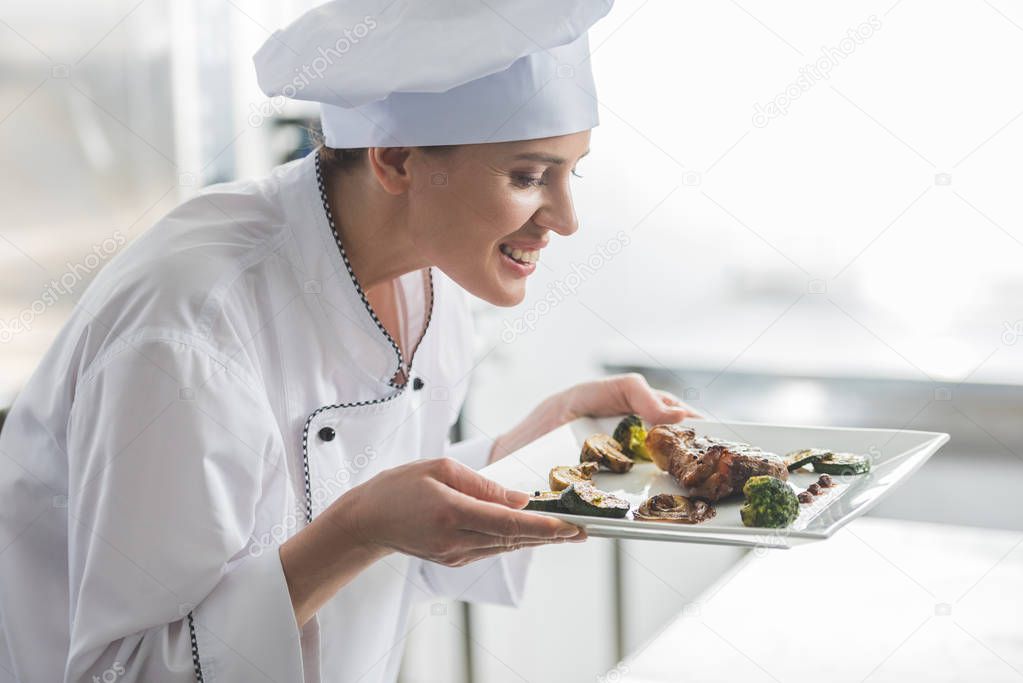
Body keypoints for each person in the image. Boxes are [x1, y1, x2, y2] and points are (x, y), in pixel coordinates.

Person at [0, 1, 696, 680]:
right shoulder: (187, 337)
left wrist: (540, 444)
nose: (565, 220)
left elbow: (381, 505)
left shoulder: (433, 277)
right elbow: (119, 672)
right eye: (527, 176)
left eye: (571, 171)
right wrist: (355, 529)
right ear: (394, 157)